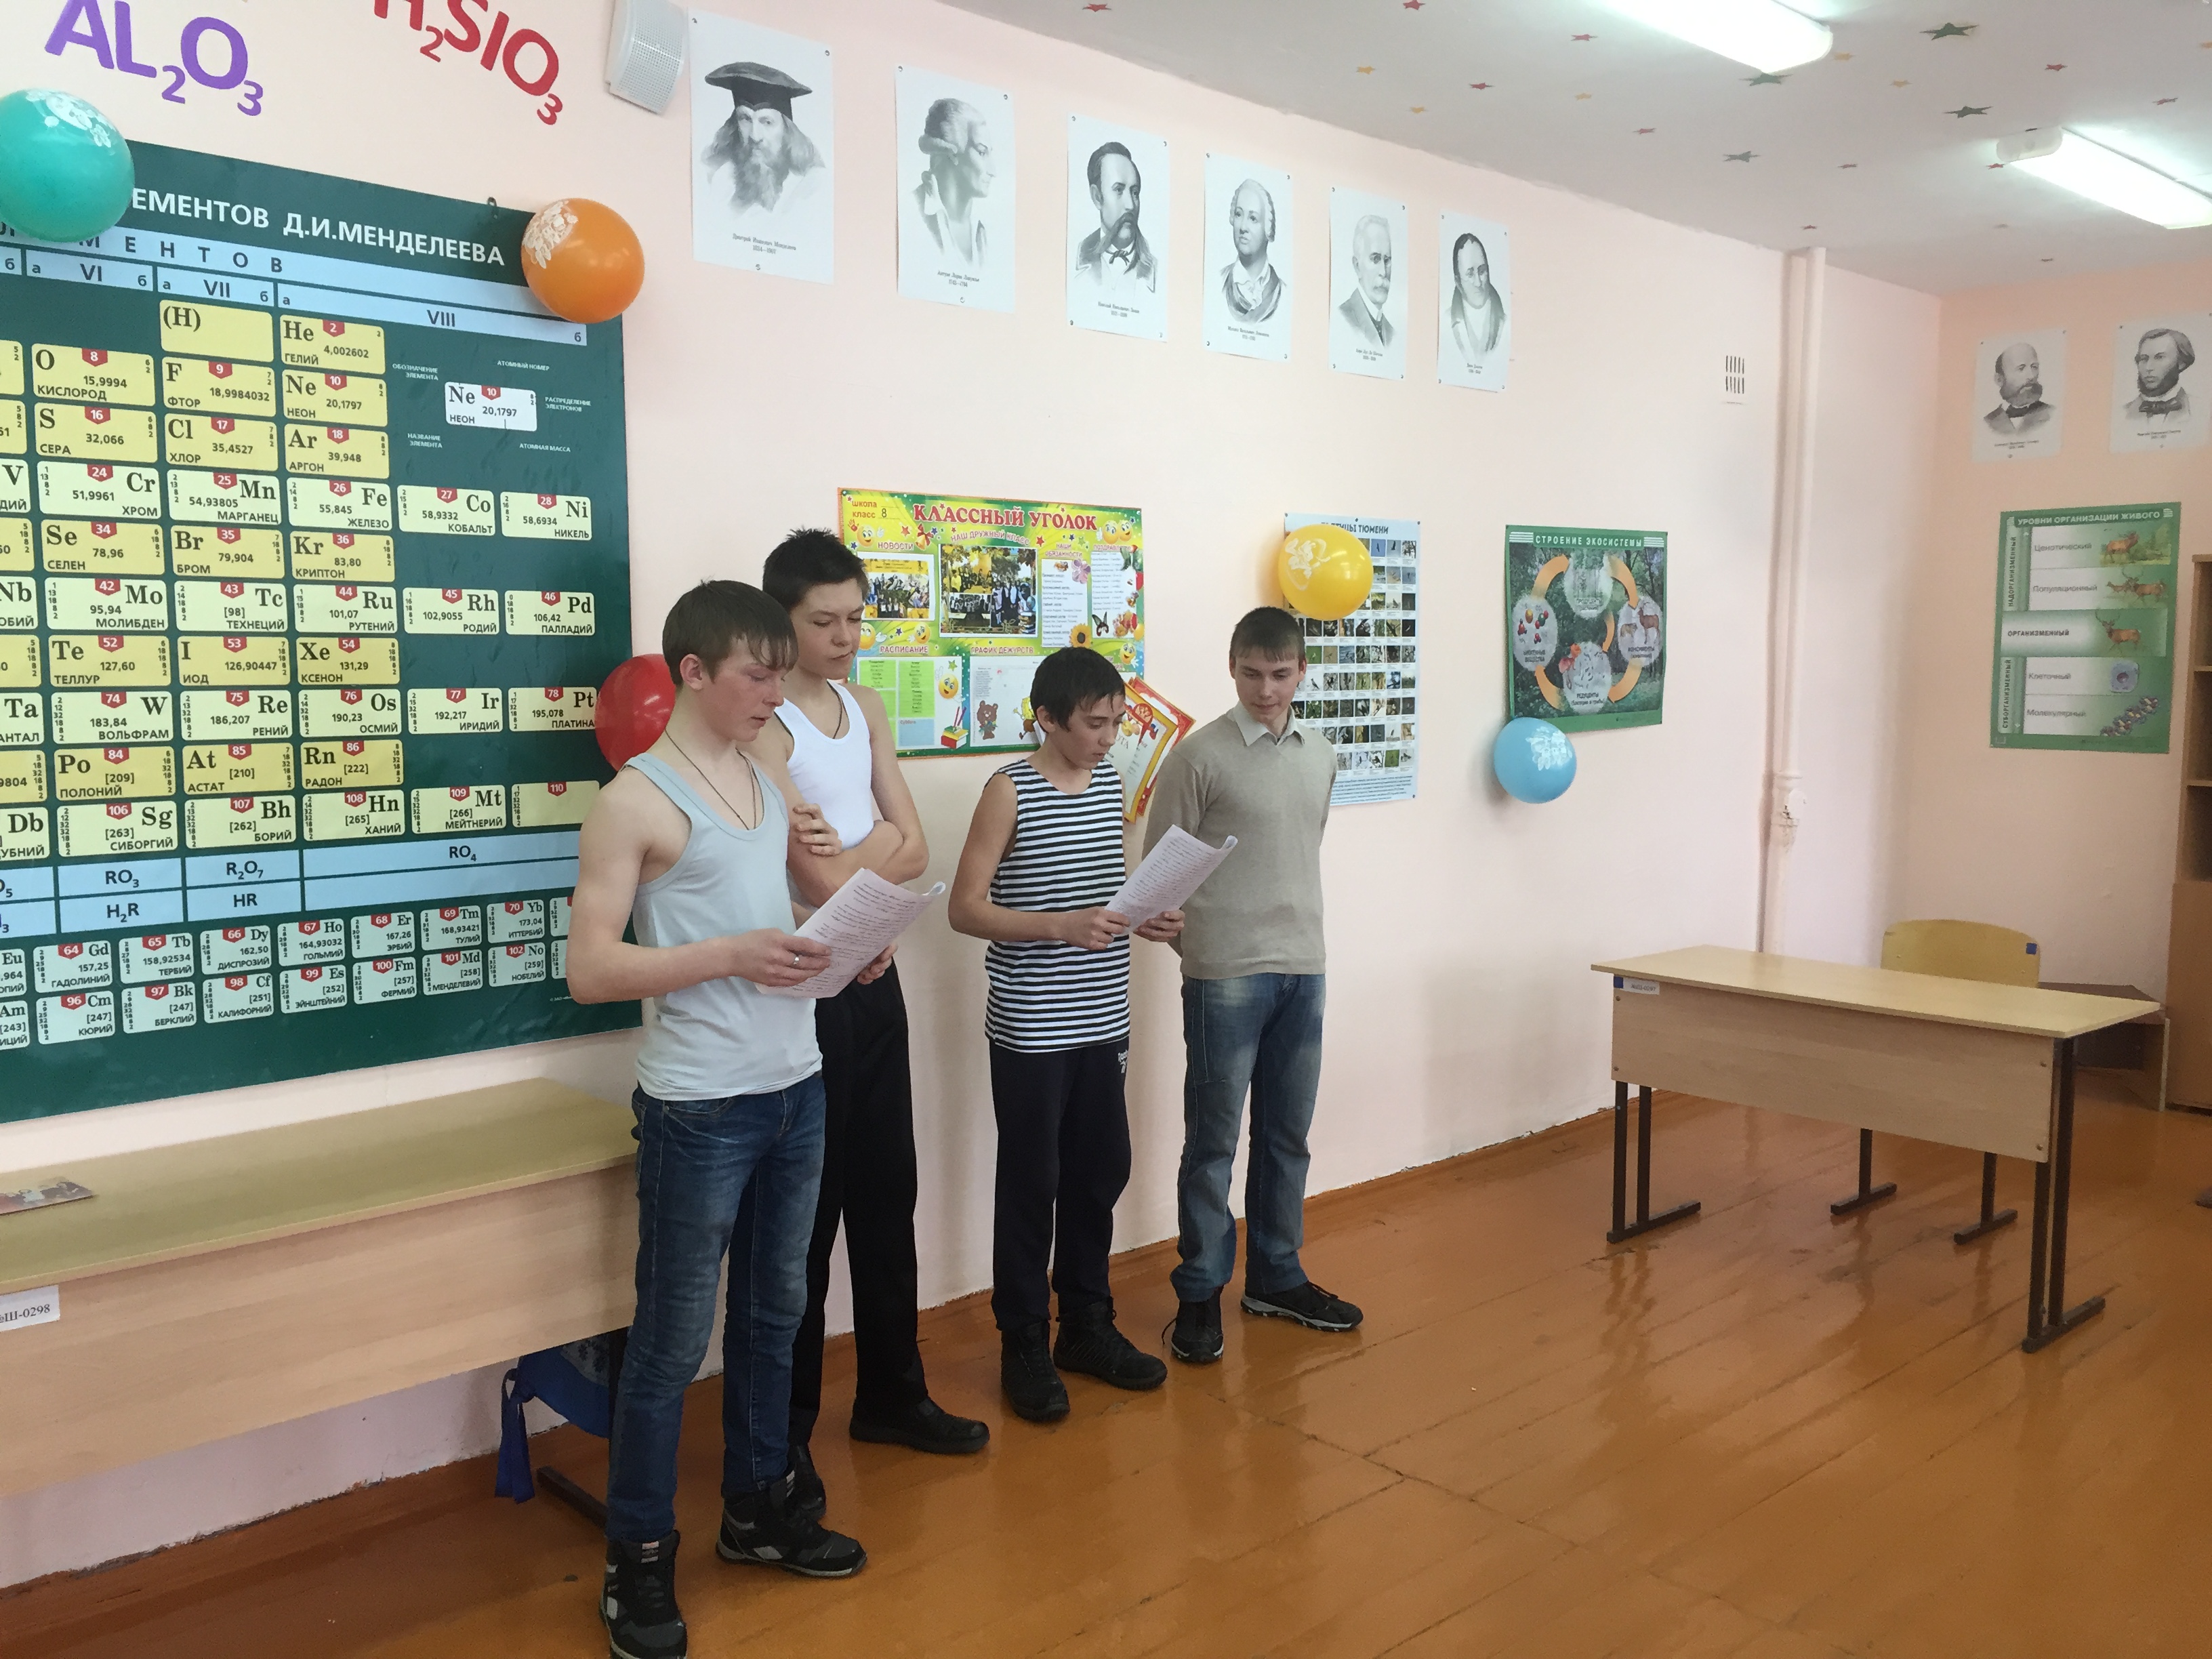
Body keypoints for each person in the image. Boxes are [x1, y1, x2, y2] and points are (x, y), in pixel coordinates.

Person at [569, 581, 876, 1659]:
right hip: (700, 1105)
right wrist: (735, 955)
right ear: (693, 673)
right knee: (668, 1343)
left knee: (774, 1313)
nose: (776, 695)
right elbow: (592, 969)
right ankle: (639, 1559)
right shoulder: (634, 802)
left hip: (797, 1084)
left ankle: (757, 1510)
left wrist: (832, 938)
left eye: (780, 674)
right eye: (757, 675)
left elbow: (772, 908)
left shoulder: (763, 774)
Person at [747, 530, 990, 1527]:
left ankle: (893, 1393)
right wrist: (874, 856)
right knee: (807, 1220)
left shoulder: (868, 708)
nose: (847, 636)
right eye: (825, 621)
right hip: (805, 988)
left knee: (889, 1193)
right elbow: (811, 878)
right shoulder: (766, 726)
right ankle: (786, 1439)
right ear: (781, 624)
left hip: (874, 970)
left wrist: (864, 866)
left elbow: (918, 845)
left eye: (855, 617)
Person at [948, 647, 1183, 1421]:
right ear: (1046, 719)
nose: (1108, 737)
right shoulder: (1008, 790)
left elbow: (1103, 898)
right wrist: (1059, 927)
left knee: (1098, 1171)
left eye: (1116, 722)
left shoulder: (1110, 782)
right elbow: (965, 909)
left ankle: (1086, 1324)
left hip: (1103, 1019)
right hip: (1031, 1027)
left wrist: (1143, 916)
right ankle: (1023, 1339)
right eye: (1093, 723)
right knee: (1032, 1183)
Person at [1142, 607, 1361, 1367]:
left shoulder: (1321, 754)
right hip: (1225, 974)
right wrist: (1194, 943)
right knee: (1213, 1144)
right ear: (1231, 667)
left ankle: (1276, 1275)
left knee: (1286, 1135)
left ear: (1302, 672)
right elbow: (1161, 873)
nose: (1266, 690)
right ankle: (1200, 1290)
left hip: (1304, 966)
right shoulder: (1197, 758)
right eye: (1251, 674)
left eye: (1280, 674)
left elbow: (1300, 847)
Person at [703, 62, 825, 218]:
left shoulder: (810, 186)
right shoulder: (722, 179)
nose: (755, 136)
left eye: (767, 122)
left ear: (787, 130)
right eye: (746, 119)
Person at [914, 96, 996, 270]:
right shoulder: (911, 212)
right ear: (951, 153)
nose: (993, 171)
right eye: (982, 153)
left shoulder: (988, 230)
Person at [1076, 140, 1158, 294]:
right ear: (1097, 197)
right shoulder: (1078, 259)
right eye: (1119, 190)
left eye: (1135, 193)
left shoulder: (1155, 269)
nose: (1131, 205)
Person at [1219, 178, 1283, 323]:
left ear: (1268, 228)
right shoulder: (1219, 282)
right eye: (1238, 214)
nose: (1243, 227)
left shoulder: (1282, 292)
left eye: (1253, 218)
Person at [1447, 230, 1504, 369]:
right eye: (1470, 274)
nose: (1478, 283)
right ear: (1458, 282)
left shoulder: (1505, 323)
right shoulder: (1446, 321)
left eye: (1482, 272)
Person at [1336, 214, 1395, 348]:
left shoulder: (1391, 333)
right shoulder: (1342, 318)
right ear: (1357, 266)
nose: (1383, 272)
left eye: (1387, 261)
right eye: (1375, 259)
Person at [2123, 327, 2194, 426]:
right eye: (2144, 359)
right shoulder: (2122, 413)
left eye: (2160, 357)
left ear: (2181, 363)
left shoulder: (2201, 409)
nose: (2148, 368)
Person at [1983, 342, 2054, 434]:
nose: (2031, 376)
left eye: (2034, 367)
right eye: (2021, 369)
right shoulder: (1987, 423)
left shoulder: (2052, 414)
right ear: (1999, 380)